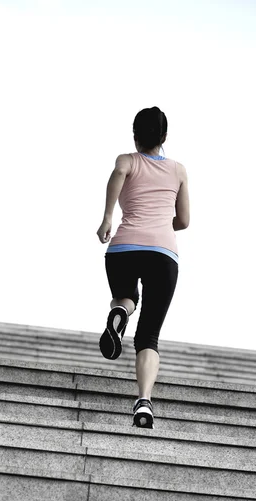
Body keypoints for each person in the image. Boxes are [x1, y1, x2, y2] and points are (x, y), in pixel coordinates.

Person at [96, 106, 190, 429]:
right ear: (164, 137)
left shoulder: (126, 161)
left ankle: (119, 314)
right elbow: (185, 221)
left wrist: (109, 216)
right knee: (148, 336)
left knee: (125, 298)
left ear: (135, 136)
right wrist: (162, 223)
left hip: (123, 248)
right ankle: (144, 402)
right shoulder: (178, 170)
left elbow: (119, 173)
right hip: (163, 254)